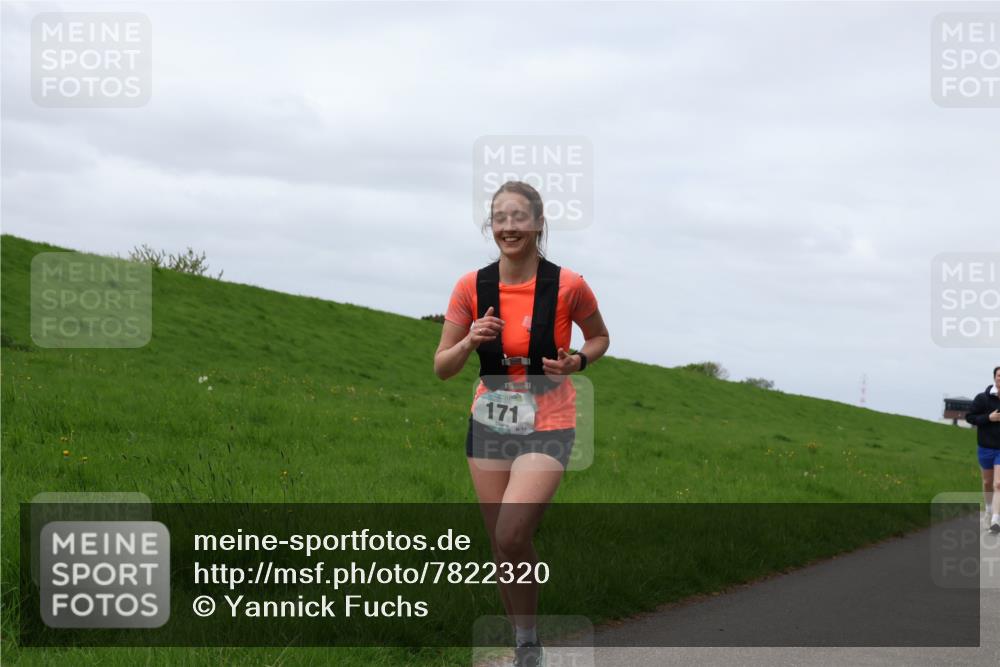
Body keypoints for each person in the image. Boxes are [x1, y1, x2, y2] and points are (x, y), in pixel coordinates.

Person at [434, 181, 610, 666]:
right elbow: (442, 366)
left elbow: (599, 337)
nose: (508, 227)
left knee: (513, 533)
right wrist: (470, 341)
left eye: (518, 217)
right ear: (491, 226)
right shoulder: (471, 286)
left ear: (538, 223)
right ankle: (525, 644)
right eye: (500, 218)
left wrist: (577, 361)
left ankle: (527, 644)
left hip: (549, 417)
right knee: (499, 542)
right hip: (489, 417)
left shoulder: (568, 284)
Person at [966, 366, 1000, 534]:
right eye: (999, 376)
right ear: (995, 378)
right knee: (987, 483)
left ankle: (996, 520)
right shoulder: (982, 399)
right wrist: (989, 418)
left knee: (998, 483)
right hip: (986, 447)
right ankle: (988, 510)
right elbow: (970, 417)